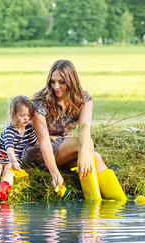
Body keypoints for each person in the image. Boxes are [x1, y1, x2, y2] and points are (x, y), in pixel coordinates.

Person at [23, 59, 125, 200]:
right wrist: (55, 174)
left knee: (95, 158)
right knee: (86, 144)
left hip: (64, 148)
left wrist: (83, 152)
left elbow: (84, 126)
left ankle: (118, 203)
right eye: (53, 82)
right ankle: (94, 204)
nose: (56, 86)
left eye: (62, 82)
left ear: (71, 81)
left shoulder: (83, 98)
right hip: (39, 152)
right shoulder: (40, 103)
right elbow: (44, 141)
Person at [0, 95, 38, 201]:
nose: (26, 118)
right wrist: (14, 161)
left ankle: (3, 191)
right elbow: (9, 149)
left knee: (9, 171)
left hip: (13, 160)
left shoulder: (29, 129)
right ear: (13, 115)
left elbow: (35, 143)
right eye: (22, 115)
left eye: (28, 115)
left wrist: (48, 139)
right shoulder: (10, 131)